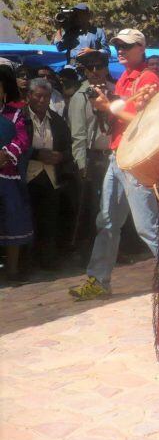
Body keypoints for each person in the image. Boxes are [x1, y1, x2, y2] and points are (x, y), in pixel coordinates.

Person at [68, 28, 159, 300]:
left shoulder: (149, 79)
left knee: (147, 226)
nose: (120, 49)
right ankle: (99, 280)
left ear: (141, 48)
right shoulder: (124, 80)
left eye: (127, 45)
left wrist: (107, 107)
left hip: (134, 157)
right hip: (119, 156)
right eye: (118, 45)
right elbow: (115, 123)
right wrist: (105, 108)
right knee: (107, 221)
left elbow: (148, 122)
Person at [24, 78, 76, 270]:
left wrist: (60, 156)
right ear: (29, 96)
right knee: (27, 221)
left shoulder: (57, 121)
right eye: (38, 96)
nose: (42, 100)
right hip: (26, 178)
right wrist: (36, 154)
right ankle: (25, 263)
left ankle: (47, 261)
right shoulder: (21, 119)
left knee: (49, 220)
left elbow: (69, 149)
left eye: (46, 97)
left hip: (52, 178)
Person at [69, 51, 114, 256]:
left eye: (98, 67)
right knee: (95, 207)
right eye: (90, 68)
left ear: (106, 68)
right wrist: (81, 164)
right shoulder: (79, 97)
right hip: (93, 157)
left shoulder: (115, 90)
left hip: (115, 154)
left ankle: (114, 248)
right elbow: (77, 135)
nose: (95, 72)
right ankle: (94, 251)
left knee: (114, 205)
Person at [0, 67, 33, 283]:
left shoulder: (15, 114)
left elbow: (22, 139)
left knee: (12, 221)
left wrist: (5, 154)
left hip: (7, 177)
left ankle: (12, 270)